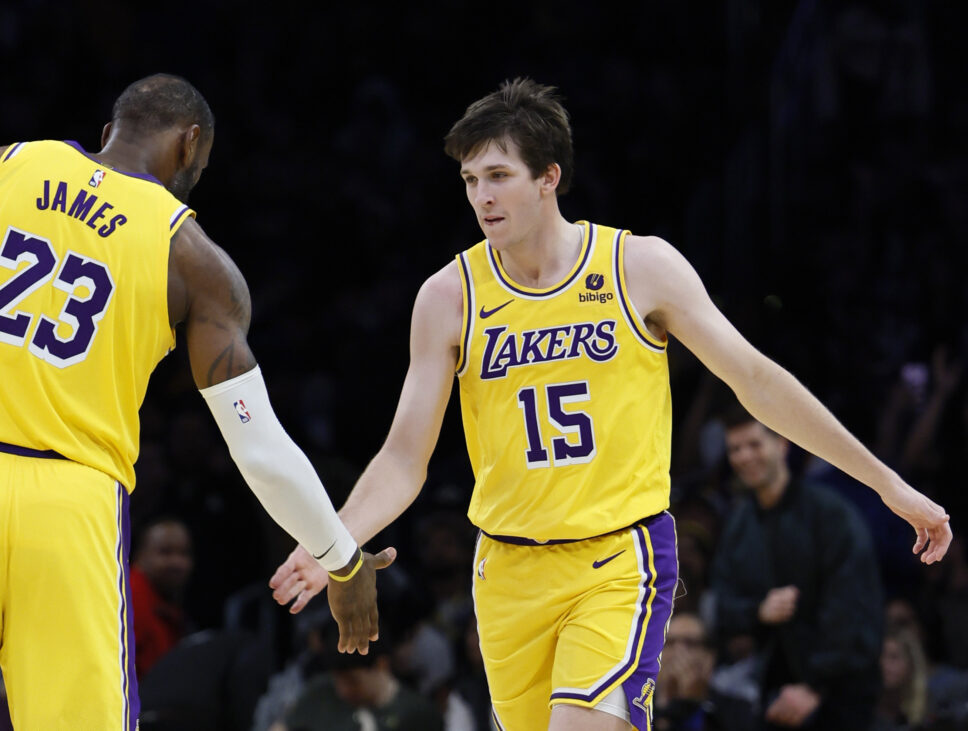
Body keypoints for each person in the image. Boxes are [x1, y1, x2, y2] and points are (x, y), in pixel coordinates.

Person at [268, 78, 952, 731]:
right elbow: (402, 460)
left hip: (617, 557)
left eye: (498, 175)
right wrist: (334, 537)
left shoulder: (638, 267)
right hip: (505, 569)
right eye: (470, 181)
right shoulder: (448, 297)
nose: (481, 196)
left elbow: (756, 379)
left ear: (549, 177)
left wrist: (886, 482)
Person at [0, 73, 392, 730]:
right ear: (188, 146)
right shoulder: (194, 257)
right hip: (74, 506)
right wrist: (341, 559)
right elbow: (260, 446)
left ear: (108, 133)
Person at [710, 407, 884, 729]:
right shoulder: (738, 525)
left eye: (754, 444)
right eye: (735, 449)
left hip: (839, 696)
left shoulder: (829, 515)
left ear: (782, 444)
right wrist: (758, 612)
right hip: (770, 695)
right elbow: (723, 605)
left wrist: (815, 686)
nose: (744, 456)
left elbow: (854, 605)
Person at [270, 624, 445, 731]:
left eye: (352, 681)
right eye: (337, 679)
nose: (343, 690)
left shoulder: (418, 714)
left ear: (381, 665)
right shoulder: (320, 693)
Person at [130, 517, 195, 679]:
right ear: (141, 556)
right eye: (165, 552)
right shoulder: (127, 599)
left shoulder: (165, 598)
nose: (176, 562)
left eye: (184, 553)